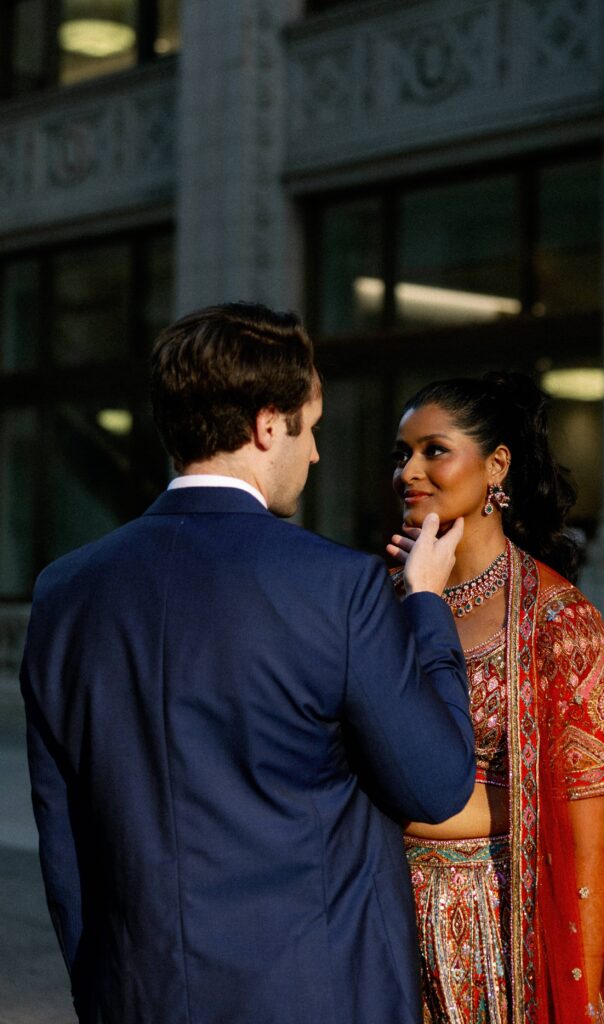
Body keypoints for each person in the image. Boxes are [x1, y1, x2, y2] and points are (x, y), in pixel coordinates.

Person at [20, 302, 475, 1024]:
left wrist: (104, 993)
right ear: (269, 425)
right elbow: (437, 783)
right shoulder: (337, 586)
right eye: (312, 426)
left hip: (135, 997)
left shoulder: (63, 591)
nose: (317, 451)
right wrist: (424, 606)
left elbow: (64, 834)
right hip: (314, 998)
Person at [387, 373, 604, 1024]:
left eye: (433, 450)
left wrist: (574, 1000)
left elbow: (584, 847)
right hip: (376, 926)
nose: (408, 470)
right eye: (400, 454)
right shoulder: (381, 604)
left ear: (496, 466)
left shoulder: (558, 626)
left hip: (494, 939)